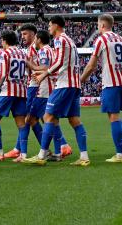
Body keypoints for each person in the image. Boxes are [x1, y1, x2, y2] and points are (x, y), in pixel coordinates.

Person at [23, 16, 90, 166]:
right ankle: (83, 157)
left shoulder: (59, 40)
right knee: (74, 120)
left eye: (49, 25)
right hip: (74, 84)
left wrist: (44, 74)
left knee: (48, 116)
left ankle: (42, 155)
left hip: (64, 84)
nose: (48, 28)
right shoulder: (70, 41)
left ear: (56, 25)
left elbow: (59, 62)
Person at [80, 14, 122, 163]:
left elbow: (92, 65)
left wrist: (80, 80)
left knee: (113, 117)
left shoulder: (101, 40)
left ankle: (120, 153)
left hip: (111, 83)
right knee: (115, 116)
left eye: (98, 25)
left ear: (102, 25)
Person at [23, 30, 72, 161]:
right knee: (51, 120)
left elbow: (46, 67)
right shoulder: (51, 50)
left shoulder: (44, 51)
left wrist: (31, 65)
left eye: (35, 39)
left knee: (33, 118)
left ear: (38, 39)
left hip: (45, 89)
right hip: (50, 87)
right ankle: (58, 151)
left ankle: (46, 151)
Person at [0, 30, 28, 162]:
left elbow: (3, 73)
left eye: (1, 40)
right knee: (21, 124)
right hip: (21, 91)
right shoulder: (22, 53)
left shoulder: (5, 53)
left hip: (7, 91)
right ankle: (23, 155)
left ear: (5, 40)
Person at [4, 24, 39, 160]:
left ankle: (23, 150)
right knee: (34, 119)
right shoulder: (30, 49)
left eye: (25, 34)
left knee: (32, 119)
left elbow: (38, 67)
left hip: (36, 87)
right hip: (34, 86)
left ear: (33, 34)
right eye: (22, 34)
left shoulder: (34, 49)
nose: (22, 37)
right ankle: (19, 149)